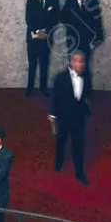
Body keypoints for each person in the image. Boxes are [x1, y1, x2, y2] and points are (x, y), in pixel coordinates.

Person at [48, 50, 91, 184]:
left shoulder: (87, 77)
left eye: (83, 61)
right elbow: (55, 98)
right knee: (61, 140)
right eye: (78, 61)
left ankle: (79, 173)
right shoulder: (60, 78)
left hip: (78, 117)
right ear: (72, 62)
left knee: (78, 144)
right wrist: (52, 114)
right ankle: (58, 163)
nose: (81, 64)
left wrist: (86, 110)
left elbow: (86, 95)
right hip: (63, 117)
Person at [24, 0, 58, 96]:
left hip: (46, 38)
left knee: (44, 64)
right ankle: (30, 88)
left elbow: (55, 18)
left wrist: (47, 32)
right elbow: (28, 19)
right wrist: (38, 31)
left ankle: (43, 89)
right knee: (32, 64)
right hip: (32, 38)